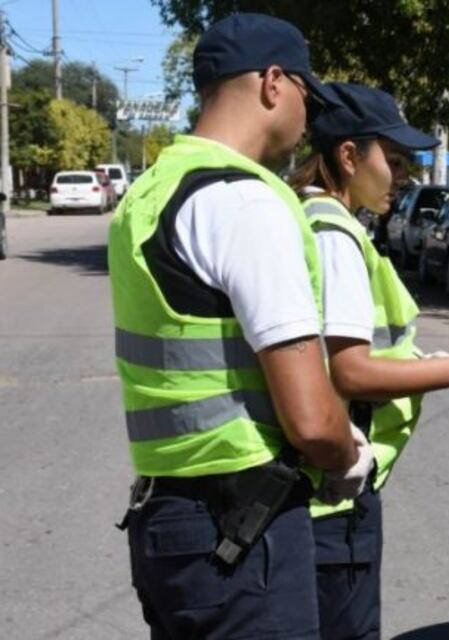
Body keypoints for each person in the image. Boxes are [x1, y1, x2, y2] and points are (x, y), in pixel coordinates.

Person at [107, 14, 374, 639]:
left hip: (170, 522)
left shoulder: (149, 193)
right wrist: (346, 455)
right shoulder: (247, 202)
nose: (310, 119)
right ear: (274, 83)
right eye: (308, 96)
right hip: (243, 535)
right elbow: (310, 418)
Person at [288, 82, 449, 639]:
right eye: (391, 160)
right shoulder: (335, 232)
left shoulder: (310, 217)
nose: (403, 175)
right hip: (335, 495)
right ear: (348, 156)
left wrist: (417, 360)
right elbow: (351, 371)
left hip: (318, 490)